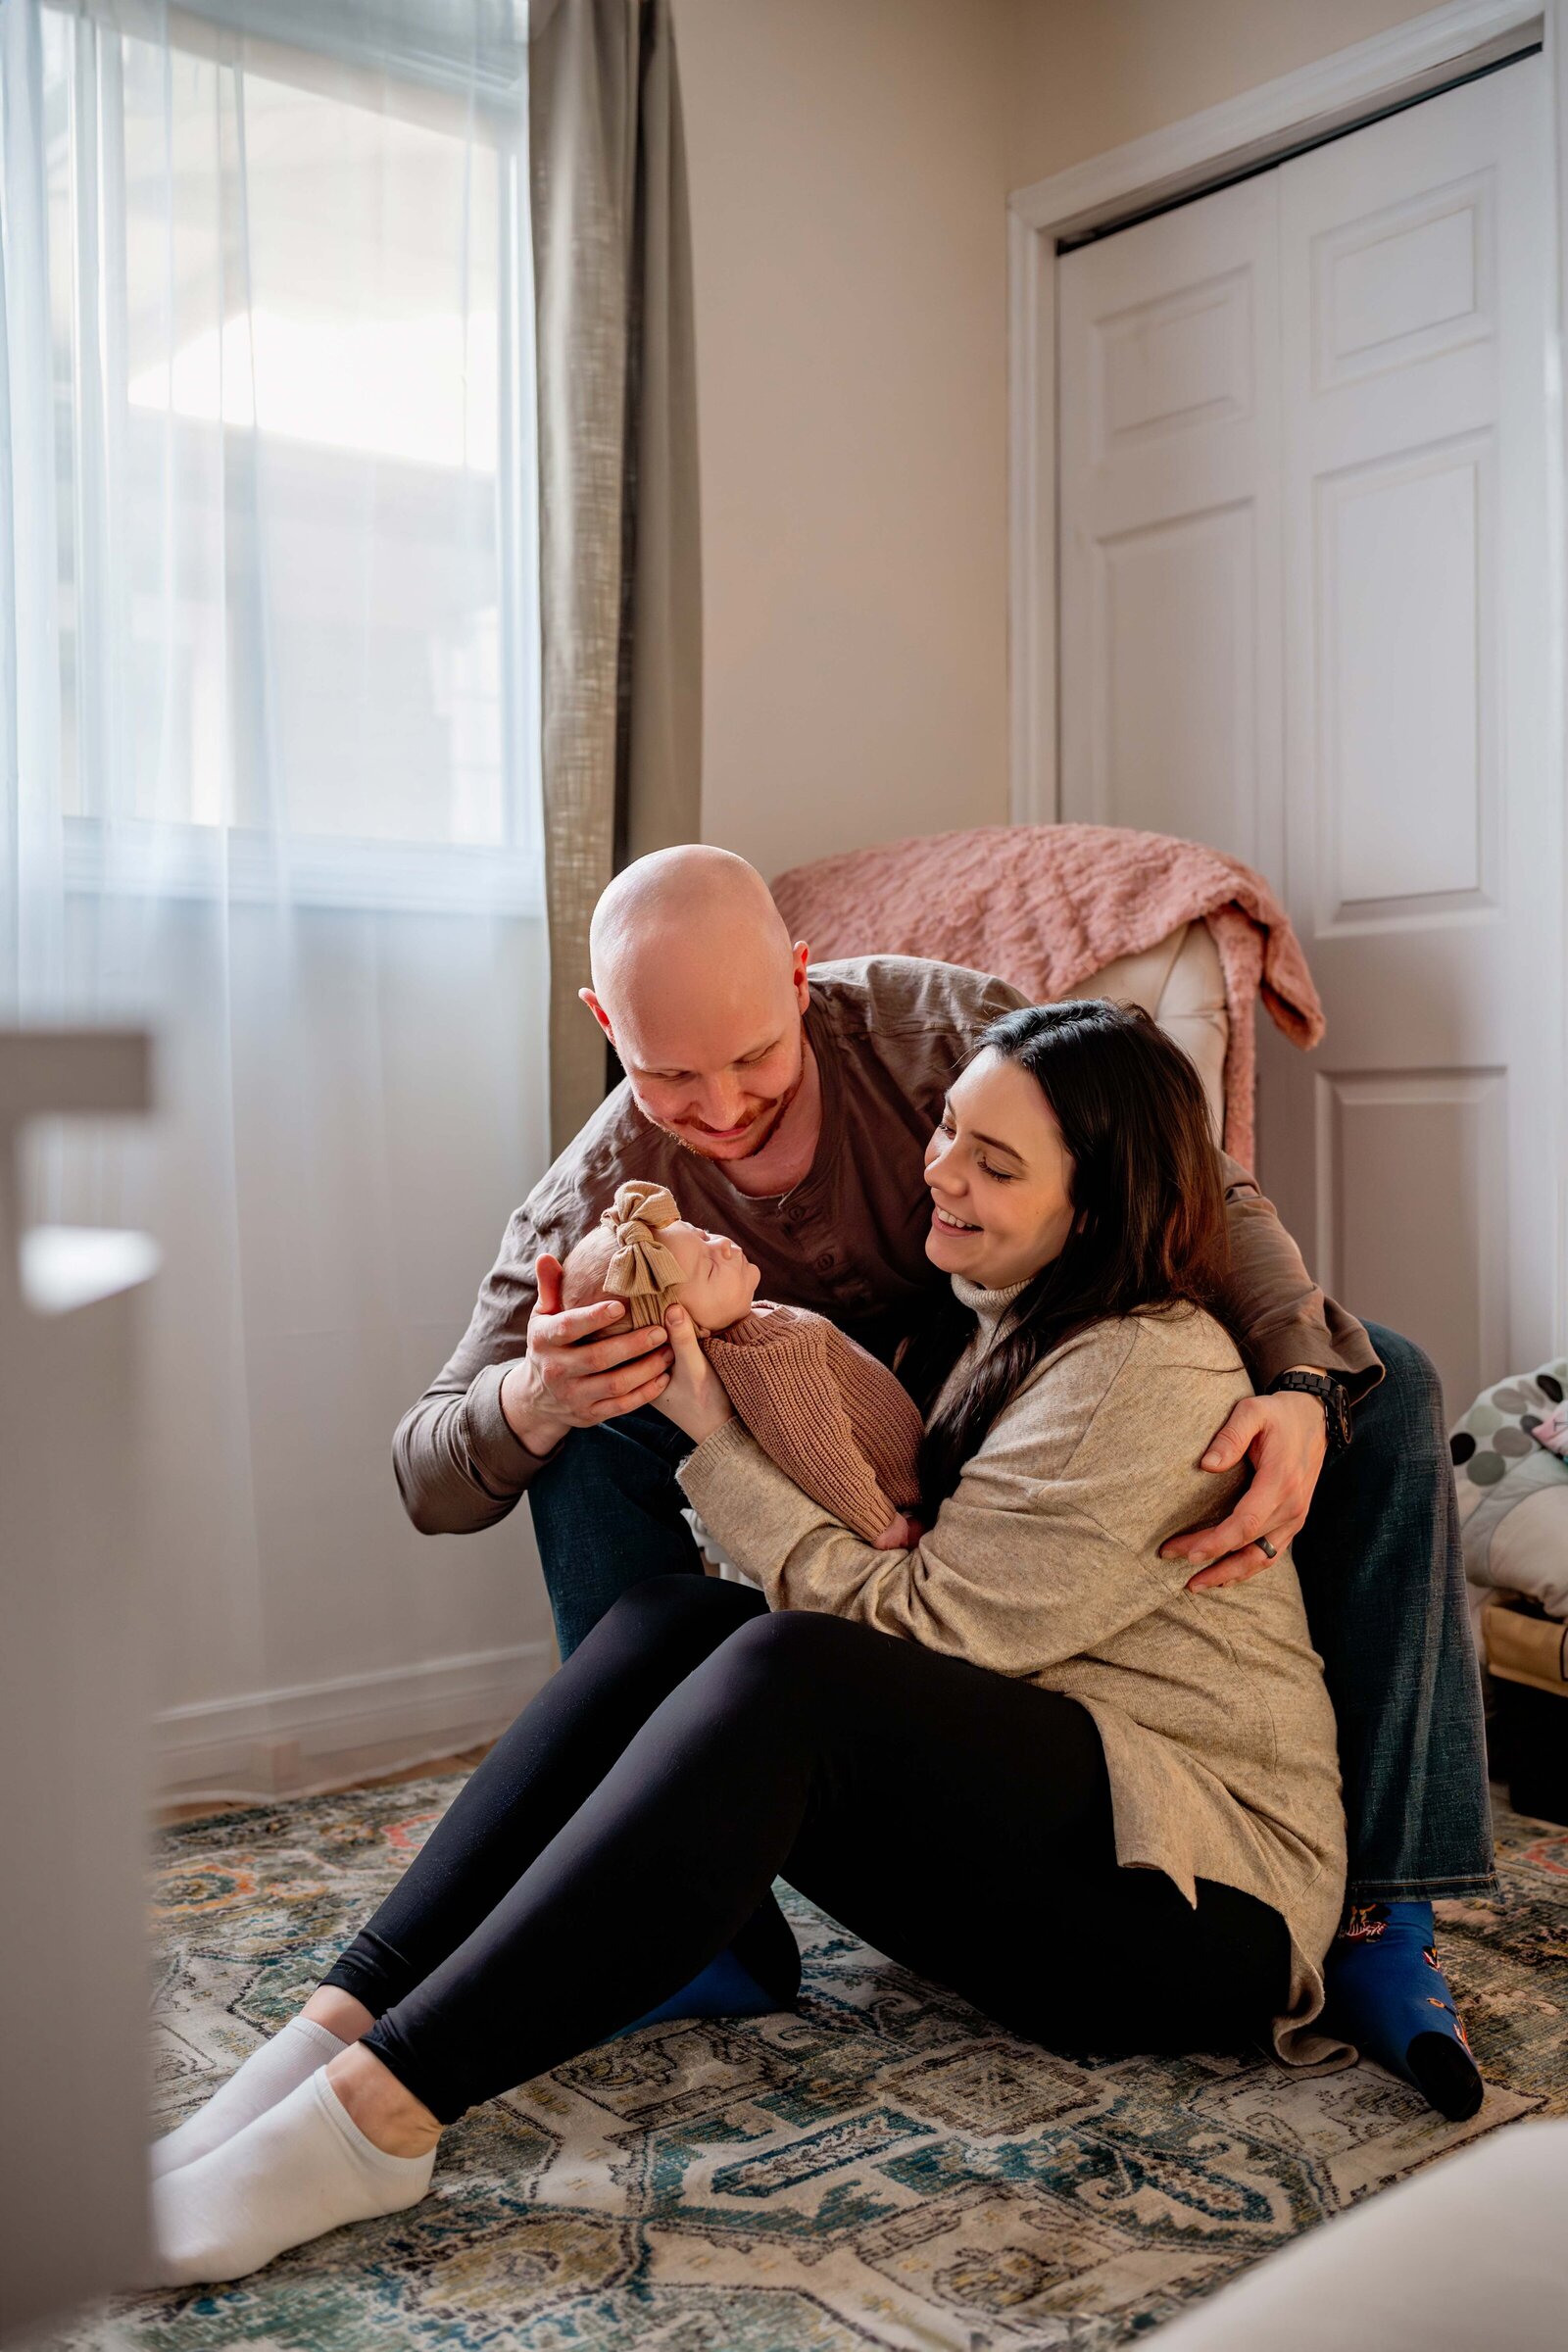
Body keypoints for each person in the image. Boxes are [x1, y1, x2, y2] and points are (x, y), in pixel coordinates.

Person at [148, 1000, 1346, 2285]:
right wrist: (683, 1363)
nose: (940, 1171)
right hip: (1076, 1831)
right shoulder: (1004, 1322)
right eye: (949, 1132)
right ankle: (331, 2029)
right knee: (683, 1619)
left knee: (791, 1672)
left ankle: (381, 2113)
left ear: (1097, 1208)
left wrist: (706, 1428)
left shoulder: (1141, 1373)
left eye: (996, 1165)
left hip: (1206, 1902)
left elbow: (923, 1632)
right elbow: (855, 1540)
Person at [393, 846, 1494, 2118]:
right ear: (605, 1029)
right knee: (588, 1419)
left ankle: (1380, 1917)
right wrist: (540, 1397)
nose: (725, 1106)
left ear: (802, 980)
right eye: (669, 1077)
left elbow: (1194, 1181)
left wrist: (1301, 1389)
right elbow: (429, 1472)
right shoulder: (590, 1190)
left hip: (1029, 1406)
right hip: (830, 1441)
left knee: (1388, 1378)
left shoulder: (944, 1034)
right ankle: (697, 1909)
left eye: (754, 1058)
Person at [561, 1177, 927, 1544]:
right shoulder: (762, 1360)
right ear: (684, 1328)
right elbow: (816, 1451)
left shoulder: (754, 1327)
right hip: (897, 1497)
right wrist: (883, 1524)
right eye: (708, 1268)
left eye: (703, 1235)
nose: (722, 1246)